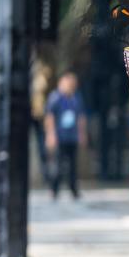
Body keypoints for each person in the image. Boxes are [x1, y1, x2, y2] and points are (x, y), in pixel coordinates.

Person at [45, 72, 88, 200]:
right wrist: (51, 135)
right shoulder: (55, 98)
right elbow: (50, 117)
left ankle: (74, 190)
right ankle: (54, 190)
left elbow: (81, 117)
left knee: (73, 166)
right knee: (58, 166)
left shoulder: (76, 98)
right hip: (60, 137)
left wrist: (82, 134)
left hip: (72, 137)